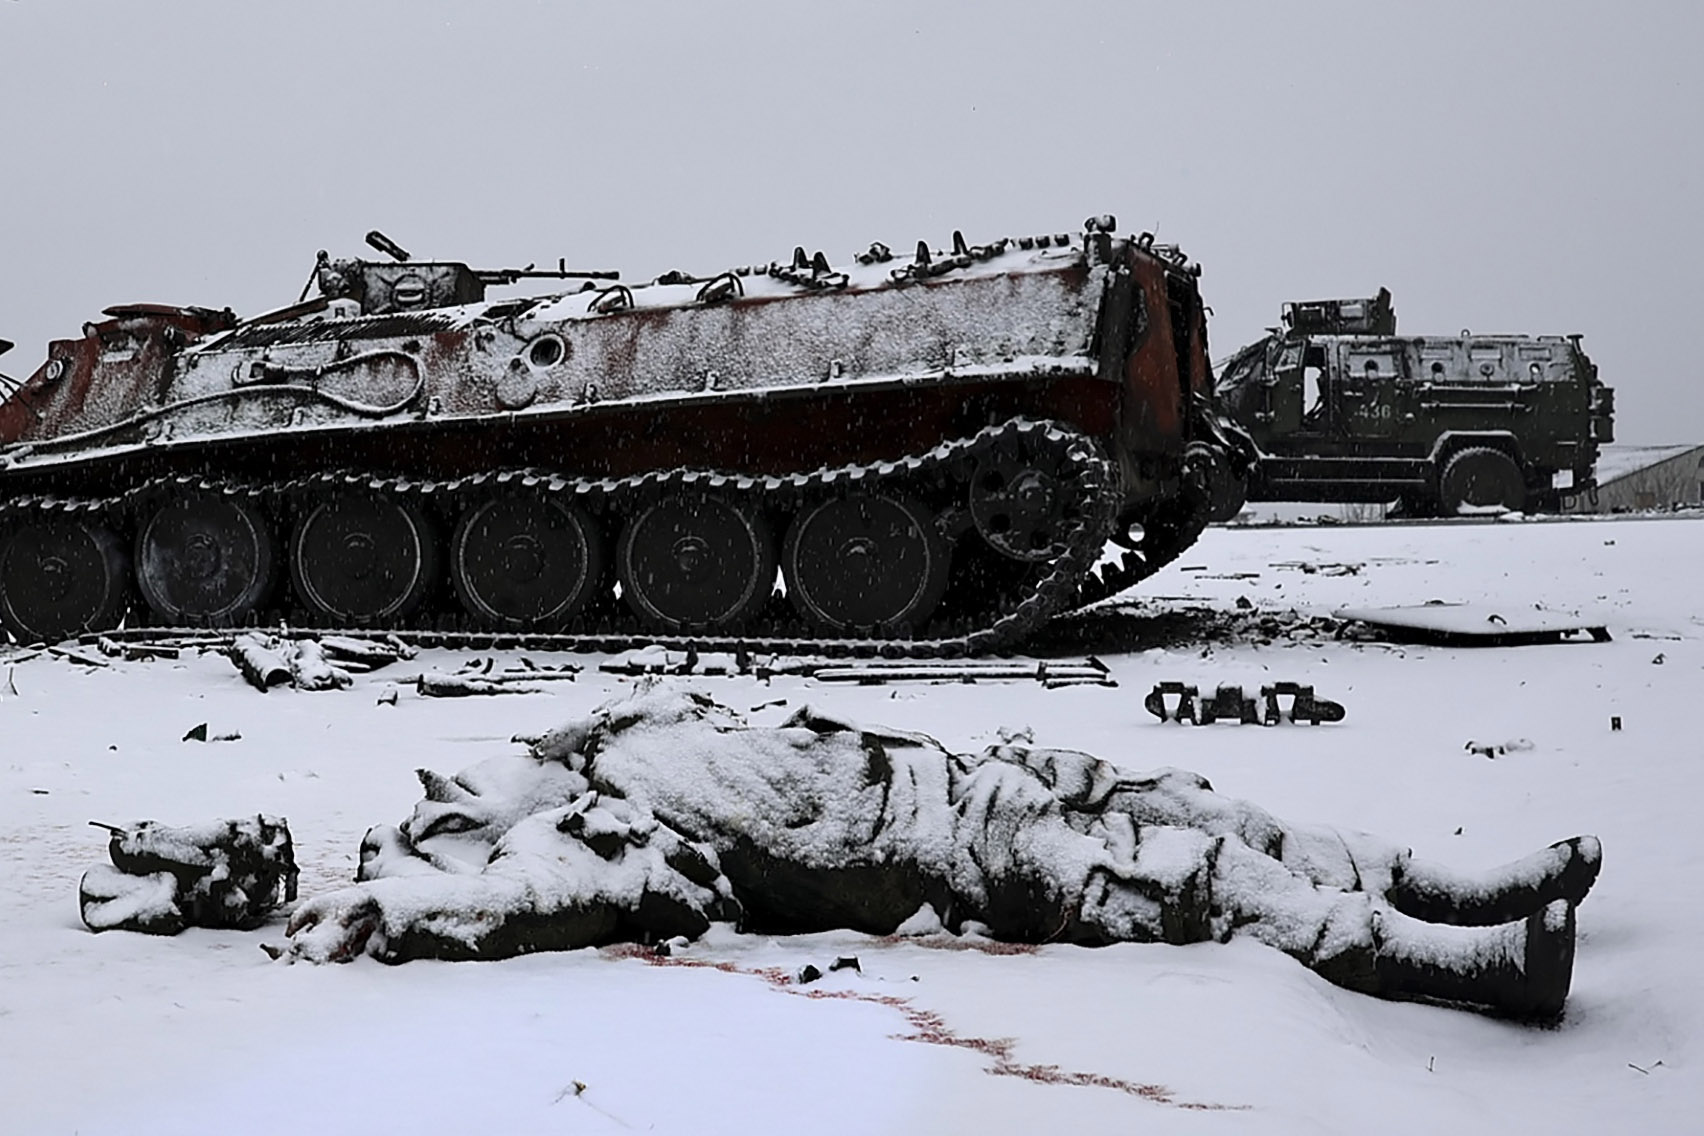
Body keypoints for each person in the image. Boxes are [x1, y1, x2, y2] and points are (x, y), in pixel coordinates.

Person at [282, 685, 1599, 1018]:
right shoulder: (579, 831)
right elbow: (559, 899)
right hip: (935, 845)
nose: (447, 780)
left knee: (1191, 803)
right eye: (435, 816)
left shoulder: (604, 739)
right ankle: (1454, 961)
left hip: (945, 771)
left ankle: (1423, 878)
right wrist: (410, 912)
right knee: (1172, 878)